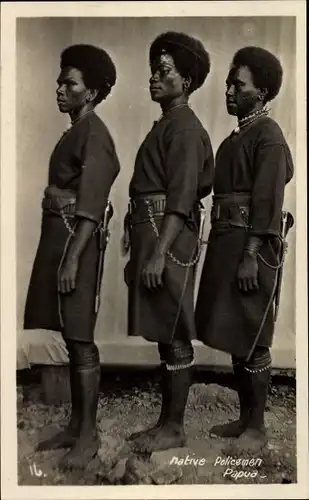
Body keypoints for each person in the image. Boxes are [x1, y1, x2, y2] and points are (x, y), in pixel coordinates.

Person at [24, 44, 120, 469]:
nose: (60, 88)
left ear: (93, 92)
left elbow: (92, 204)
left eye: (71, 83)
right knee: (69, 335)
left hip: (74, 242)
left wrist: (73, 258)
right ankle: (75, 425)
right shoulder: (75, 130)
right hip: (59, 237)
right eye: (60, 81)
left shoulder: (95, 133)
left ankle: (89, 435)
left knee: (80, 338)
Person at [195, 46, 294, 451]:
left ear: (264, 92)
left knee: (254, 334)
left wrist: (252, 254)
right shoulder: (233, 139)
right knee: (237, 333)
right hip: (226, 243)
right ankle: (244, 420)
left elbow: (268, 201)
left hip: (250, 247)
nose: (229, 91)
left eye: (240, 85)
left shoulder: (267, 136)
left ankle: (256, 428)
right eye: (228, 84)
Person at [123, 31, 214, 453]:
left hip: (168, 234)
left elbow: (180, 198)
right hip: (152, 228)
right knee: (164, 328)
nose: (154, 79)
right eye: (153, 72)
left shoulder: (185, 128)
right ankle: (165, 423)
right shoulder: (168, 123)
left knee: (175, 328)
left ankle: (175, 428)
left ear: (187, 81)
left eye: (164, 72)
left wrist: (159, 253)